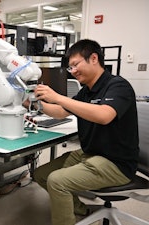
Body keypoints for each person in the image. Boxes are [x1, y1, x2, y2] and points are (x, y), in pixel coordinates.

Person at [32, 39, 139, 225]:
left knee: (57, 181)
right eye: (70, 68)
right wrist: (32, 103)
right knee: (41, 174)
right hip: (90, 153)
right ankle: (80, 209)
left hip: (116, 162)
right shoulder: (87, 91)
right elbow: (60, 112)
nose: (73, 71)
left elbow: (104, 115)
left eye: (75, 65)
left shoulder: (118, 86)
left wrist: (57, 97)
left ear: (94, 58)